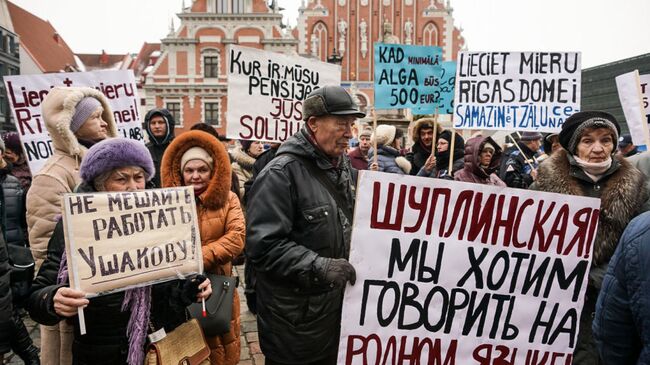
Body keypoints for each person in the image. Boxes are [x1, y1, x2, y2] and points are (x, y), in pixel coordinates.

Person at [26, 138, 211, 365]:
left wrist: (193, 287)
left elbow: (175, 284)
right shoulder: (74, 225)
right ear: (99, 183)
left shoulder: (162, 218)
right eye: (121, 179)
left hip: (164, 345)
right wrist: (52, 299)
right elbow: (38, 295)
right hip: (104, 353)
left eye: (138, 177)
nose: (133, 187)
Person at [246, 85, 363, 365]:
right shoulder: (280, 174)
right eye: (341, 123)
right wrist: (319, 266)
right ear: (313, 124)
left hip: (335, 314)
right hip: (297, 325)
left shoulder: (344, 167)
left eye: (352, 124)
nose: (349, 132)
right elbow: (264, 246)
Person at [531, 111, 649, 364]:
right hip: (556, 302)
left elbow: (641, 247)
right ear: (573, 144)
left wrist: (596, 277)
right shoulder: (541, 187)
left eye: (606, 140)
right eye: (588, 141)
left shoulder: (638, 186)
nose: (598, 148)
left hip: (617, 301)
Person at [26, 87, 118, 365]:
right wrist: (58, 296)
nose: (104, 123)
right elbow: (46, 254)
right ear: (72, 125)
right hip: (76, 307)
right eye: (95, 117)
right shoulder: (52, 176)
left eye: (104, 116)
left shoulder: (113, 167)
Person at [161, 130, 245, 365]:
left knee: (223, 349)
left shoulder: (228, 200)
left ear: (212, 171)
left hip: (220, 288)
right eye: (189, 170)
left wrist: (195, 259)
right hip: (179, 291)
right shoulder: (166, 203)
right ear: (181, 172)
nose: (195, 176)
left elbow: (236, 238)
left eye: (202, 170)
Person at [0, 139, 39, 364]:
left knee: (9, 307)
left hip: (12, 253)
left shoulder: (14, 183)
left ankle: (29, 353)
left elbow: (24, 219)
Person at [143, 108, 176, 187]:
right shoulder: (144, 150)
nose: (157, 126)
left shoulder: (177, 148)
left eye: (161, 122)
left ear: (168, 124)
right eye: (153, 123)